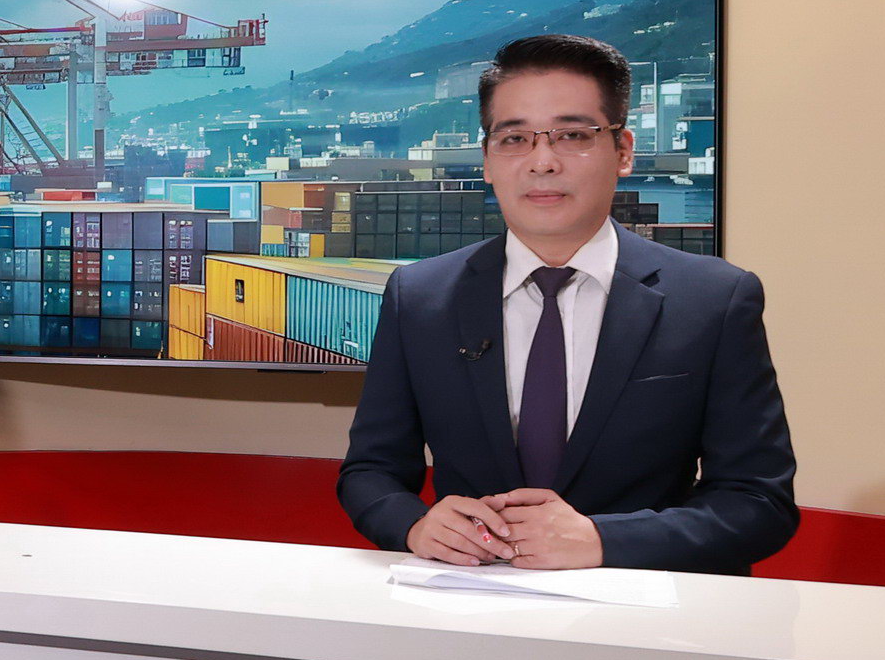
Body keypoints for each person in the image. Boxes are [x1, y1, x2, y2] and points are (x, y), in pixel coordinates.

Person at [337, 34, 796, 575]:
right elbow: (370, 471)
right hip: (471, 600)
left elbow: (758, 501)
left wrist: (604, 540)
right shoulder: (420, 296)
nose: (542, 162)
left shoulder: (714, 299)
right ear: (487, 160)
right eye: (514, 139)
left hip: (642, 605)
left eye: (573, 135)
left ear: (623, 151)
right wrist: (415, 524)